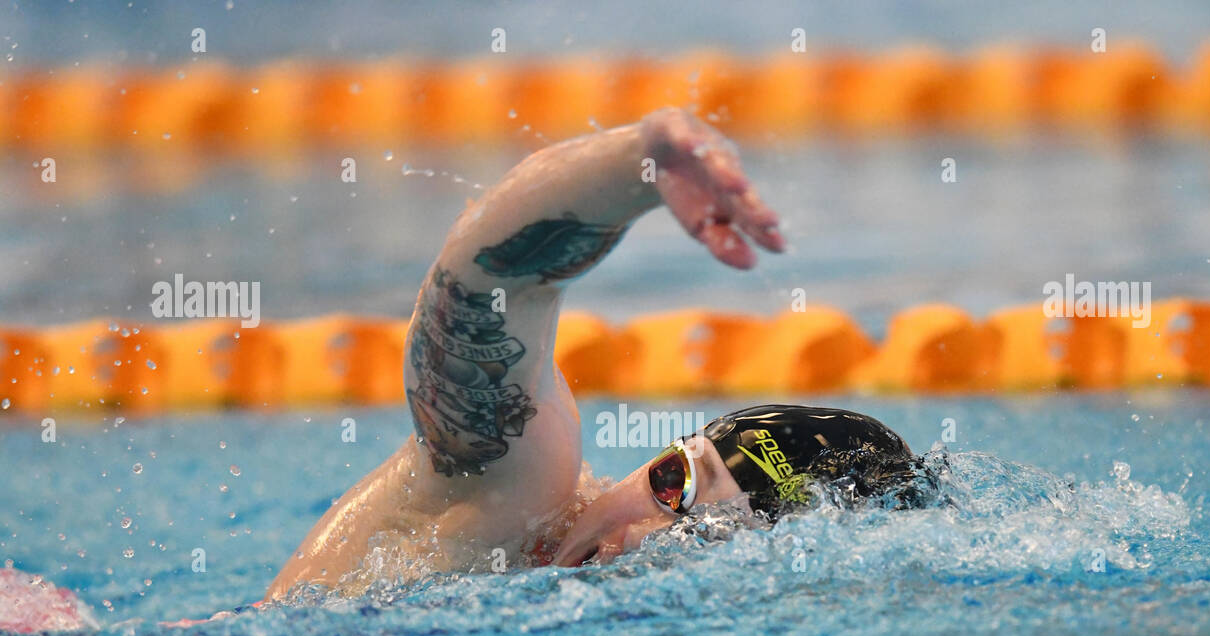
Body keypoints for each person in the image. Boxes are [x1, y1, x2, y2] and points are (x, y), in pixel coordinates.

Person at [267, 108, 927, 599]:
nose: (640, 538)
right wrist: (638, 166)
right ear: (662, 452)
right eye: (674, 482)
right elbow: (487, 290)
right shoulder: (518, 485)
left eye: (706, 540)